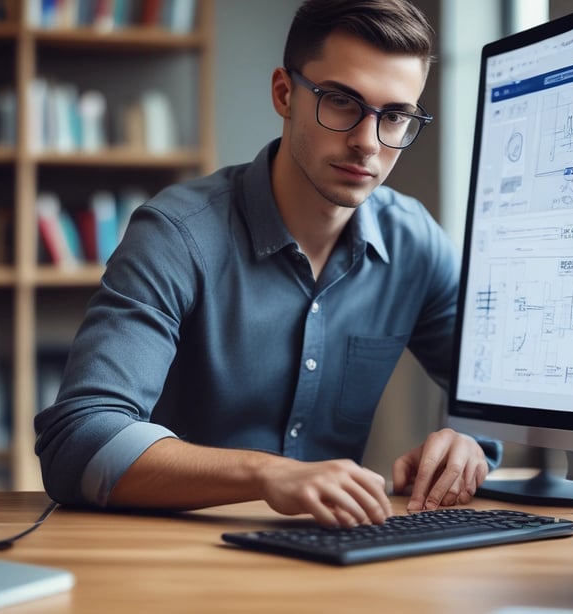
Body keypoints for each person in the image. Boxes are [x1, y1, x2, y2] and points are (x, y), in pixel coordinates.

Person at [35, 0, 500, 529]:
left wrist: (471, 443)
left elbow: (495, 390)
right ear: (284, 93)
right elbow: (78, 438)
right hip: (173, 562)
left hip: (332, 558)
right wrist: (266, 474)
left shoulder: (414, 242)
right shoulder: (176, 235)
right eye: (342, 102)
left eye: (394, 116)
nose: (368, 143)